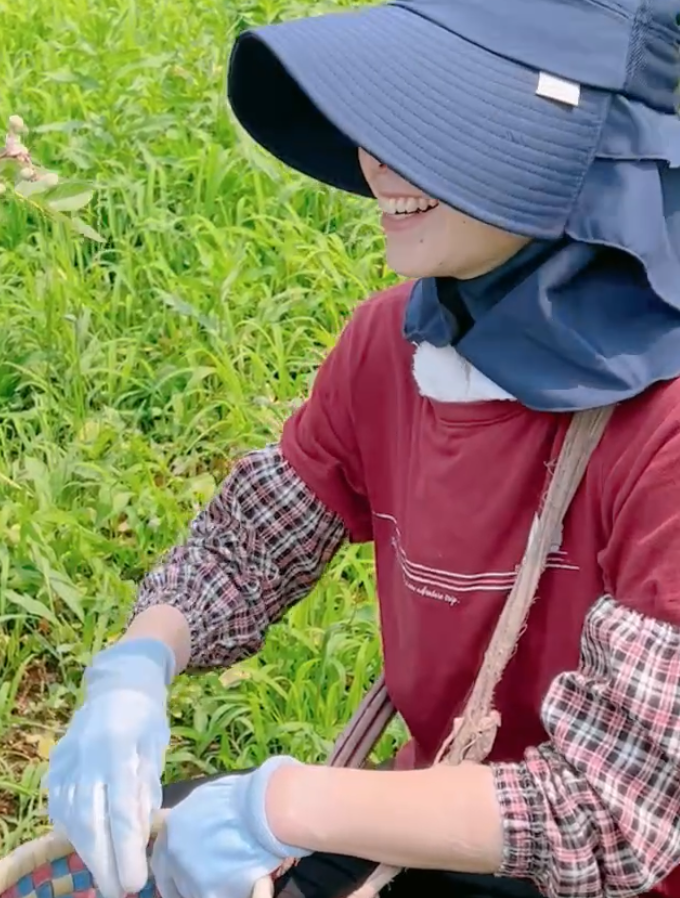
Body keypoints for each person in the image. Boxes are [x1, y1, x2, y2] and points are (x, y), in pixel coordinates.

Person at [41, 1, 680, 898]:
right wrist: (138, 663)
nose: (374, 160)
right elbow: (254, 542)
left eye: (436, 122)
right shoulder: (399, 342)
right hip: (441, 826)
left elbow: (612, 815)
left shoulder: (665, 423)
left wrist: (287, 805)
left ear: (581, 149)